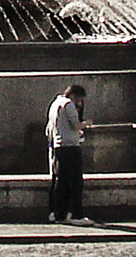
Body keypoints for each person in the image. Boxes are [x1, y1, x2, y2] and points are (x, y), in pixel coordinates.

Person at [46, 83, 91, 225]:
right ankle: (77, 214)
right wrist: (86, 124)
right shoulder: (68, 104)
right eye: (79, 99)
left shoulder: (55, 103)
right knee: (76, 181)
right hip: (70, 146)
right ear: (74, 96)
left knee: (61, 181)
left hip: (58, 146)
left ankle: (58, 213)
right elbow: (75, 125)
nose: (80, 103)